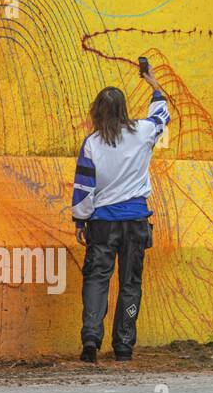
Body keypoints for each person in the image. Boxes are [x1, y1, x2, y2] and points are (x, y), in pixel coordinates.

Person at [71, 66, 171, 362]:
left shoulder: (92, 143)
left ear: (97, 112)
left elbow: (84, 188)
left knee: (96, 280)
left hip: (102, 226)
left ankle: (91, 340)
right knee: (130, 283)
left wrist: (80, 219)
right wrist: (153, 84)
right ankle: (124, 345)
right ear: (124, 109)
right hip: (136, 223)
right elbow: (161, 115)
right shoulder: (142, 132)